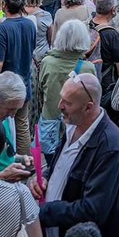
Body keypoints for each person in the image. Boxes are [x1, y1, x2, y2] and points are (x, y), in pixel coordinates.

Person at [35, 73, 119, 237]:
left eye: (67, 103)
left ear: (88, 107)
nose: (60, 105)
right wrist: (44, 178)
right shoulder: (72, 125)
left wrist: (44, 212)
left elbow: (93, 210)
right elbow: (61, 167)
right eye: (61, 98)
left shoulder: (109, 144)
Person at [36, 20, 97, 166]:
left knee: (52, 165)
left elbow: (40, 91)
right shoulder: (88, 68)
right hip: (76, 125)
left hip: (50, 123)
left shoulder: (47, 62)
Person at [0, 0, 37, 156]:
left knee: (0, 125)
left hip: (5, 88)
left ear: (5, 5)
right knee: (22, 125)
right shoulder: (30, 24)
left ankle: (4, 161)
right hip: (24, 81)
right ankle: (25, 163)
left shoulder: (2, 29)